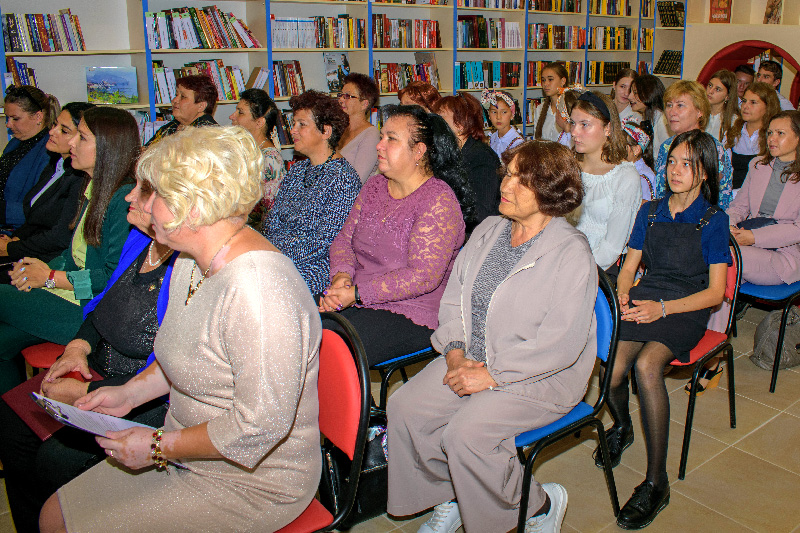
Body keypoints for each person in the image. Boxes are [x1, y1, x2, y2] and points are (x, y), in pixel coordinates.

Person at [39, 126, 323, 533]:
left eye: (146, 191)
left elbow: (259, 427)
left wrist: (157, 447)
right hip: (184, 446)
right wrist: (128, 394)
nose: (131, 198)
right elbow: (182, 353)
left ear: (190, 208)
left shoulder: (259, 290)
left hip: (252, 480)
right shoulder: (191, 260)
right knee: (55, 514)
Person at [387, 140, 597, 533]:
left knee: (467, 435)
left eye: (521, 179)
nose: (506, 184)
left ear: (550, 193)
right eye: (509, 172)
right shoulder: (488, 229)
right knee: (406, 409)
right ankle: (454, 494)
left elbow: (561, 344)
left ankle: (538, 505)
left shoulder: (571, 253)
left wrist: (493, 374)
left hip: (539, 373)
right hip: (472, 356)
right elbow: (452, 300)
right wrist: (453, 353)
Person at [0, 177, 176, 533]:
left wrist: (87, 394)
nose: (128, 195)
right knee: (9, 421)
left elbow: (173, 371)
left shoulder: (183, 262)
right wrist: (78, 347)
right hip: (100, 362)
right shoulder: (136, 235)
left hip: (141, 394)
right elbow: (99, 298)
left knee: (55, 459)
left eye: (142, 189)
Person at [598, 130, 730, 530]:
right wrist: (622, 296)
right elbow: (629, 266)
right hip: (649, 295)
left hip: (686, 306)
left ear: (704, 172)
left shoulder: (713, 220)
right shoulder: (650, 210)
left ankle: (657, 482)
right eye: (671, 161)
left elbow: (715, 293)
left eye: (686, 163)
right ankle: (622, 426)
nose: (675, 170)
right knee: (611, 367)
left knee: (647, 367)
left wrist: (663, 309)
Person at [319, 105, 471, 367]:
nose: (379, 145)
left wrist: (355, 293)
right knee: (296, 328)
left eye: (391, 139)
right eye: (381, 137)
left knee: (329, 349)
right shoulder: (375, 185)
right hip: (357, 297)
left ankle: (347, 408)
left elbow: (422, 277)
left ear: (418, 151)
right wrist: (342, 277)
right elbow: (344, 240)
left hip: (412, 311)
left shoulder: (438, 200)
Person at [0, 107, 139, 394]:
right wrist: (33, 269)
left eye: (81, 137)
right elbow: (72, 254)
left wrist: (50, 277)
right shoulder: (91, 186)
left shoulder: (122, 200)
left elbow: (112, 279)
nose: (72, 143)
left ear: (107, 149)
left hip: (89, 311)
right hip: (67, 296)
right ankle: (17, 421)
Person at [262, 90, 361, 295]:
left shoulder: (344, 179)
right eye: (293, 123)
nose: (293, 130)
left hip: (316, 267)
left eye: (302, 124)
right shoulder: (298, 170)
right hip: (277, 258)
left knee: (262, 288)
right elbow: (273, 222)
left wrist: (275, 256)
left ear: (326, 131)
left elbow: (324, 242)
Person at [1, 103, 95, 264]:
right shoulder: (56, 164)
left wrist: (11, 248)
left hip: (50, 259)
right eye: (54, 125)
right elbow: (34, 216)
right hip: (27, 246)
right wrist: (15, 240)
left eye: (64, 130)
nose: (51, 132)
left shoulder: (81, 178)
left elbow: (60, 236)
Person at [571, 91, 642, 271]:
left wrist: (575, 269)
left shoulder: (624, 177)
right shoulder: (568, 167)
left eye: (584, 125)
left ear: (607, 128)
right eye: (573, 123)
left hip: (599, 268)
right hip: (564, 256)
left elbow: (612, 248)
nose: (574, 132)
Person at [729, 110, 800, 285]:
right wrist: (729, 226)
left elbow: (798, 230)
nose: (771, 139)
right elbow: (739, 206)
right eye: (769, 133)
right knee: (712, 257)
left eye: (780, 133)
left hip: (786, 254)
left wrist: (754, 237)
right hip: (747, 241)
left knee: (723, 257)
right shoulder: (757, 165)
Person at [653, 80, 734, 209]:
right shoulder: (666, 146)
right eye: (669, 105)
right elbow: (660, 193)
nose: (672, 112)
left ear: (699, 111)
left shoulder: (714, 149)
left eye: (680, 106)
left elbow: (722, 200)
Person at [434, 92, 501, 227]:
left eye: (440, 119)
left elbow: (480, 213)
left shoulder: (482, 157)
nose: (435, 126)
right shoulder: (451, 153)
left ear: (460, 124)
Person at [2, 85, 60, 230]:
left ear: (38, 117)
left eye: (15, 119)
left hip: (20, 230)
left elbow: (40, 209)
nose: (8, 124)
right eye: (7, 118)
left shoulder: (50, 152)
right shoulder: (14, 143)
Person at [229, 88, 285, 227]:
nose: (232, 116)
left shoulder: (270, 159)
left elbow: (271, 215)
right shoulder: (247, 151)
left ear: (259, 123)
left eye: (240, 112)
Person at [725, 82, 780, 189]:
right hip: (733, 194)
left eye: (753, 102)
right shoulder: (731, 133)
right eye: (744, 101)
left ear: (768, 107)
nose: (745, 106)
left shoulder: (774, 137)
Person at [144, 74, 218, 146]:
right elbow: (146, 150)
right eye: (176, 95)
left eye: (183, 97)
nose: (174, 100)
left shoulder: (209, 134)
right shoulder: (172, 125)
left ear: (201, 106)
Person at [338, 72, 381, 183]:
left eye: (347, 96)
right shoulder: (340, 129)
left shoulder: (371, 135)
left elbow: (356, 181)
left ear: (364, 104)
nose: (341, 100)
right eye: (341, 95)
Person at [630, 74, 669, 153]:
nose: (630, 97)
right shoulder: (644, 118)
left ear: (649, 94)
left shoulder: (662, 121)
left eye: (635, 93)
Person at [533, 62, 569, 141]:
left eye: (550, 79)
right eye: (543, 80)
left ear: (563, 81)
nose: (546, 84)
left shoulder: (571, 109)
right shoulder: (540, 109)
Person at [483, 89, 524, 158]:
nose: (498, 117)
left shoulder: (517, 143)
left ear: (512, 115)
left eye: (504, 112)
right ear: (489, 115)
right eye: (494, 112)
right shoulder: (491, 138)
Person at [623, 119, 656, 202]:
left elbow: (642, 208)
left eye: (623, 146)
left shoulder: (643, 176)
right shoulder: (625, 168)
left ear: (636, 150)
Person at [705, 69, 740, 142]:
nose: (710, 91)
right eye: (710, 85)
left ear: (728, 96)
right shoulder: (699, 114)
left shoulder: (734, 121)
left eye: (717, 89)